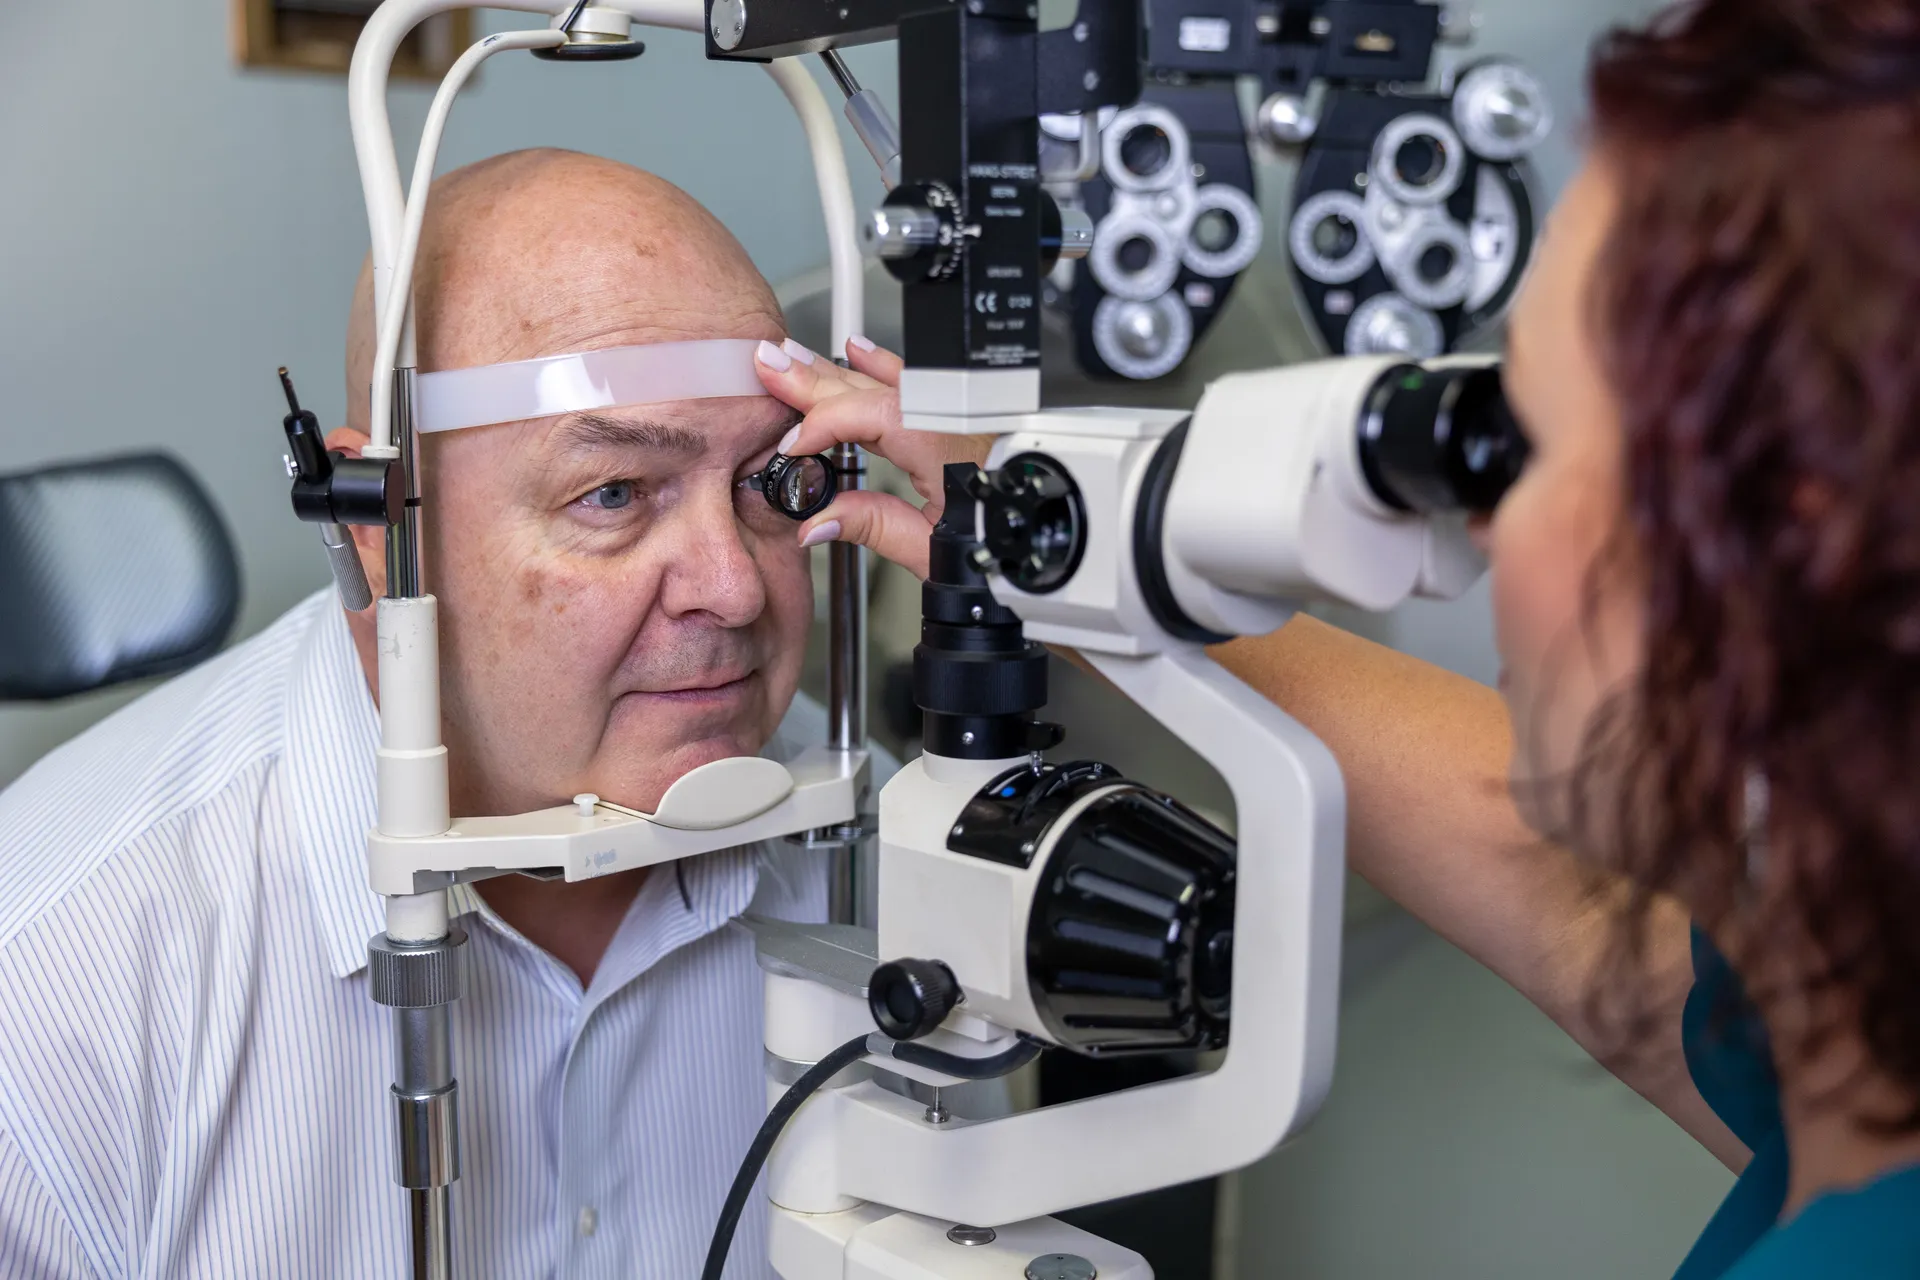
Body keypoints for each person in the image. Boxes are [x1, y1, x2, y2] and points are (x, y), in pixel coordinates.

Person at [764, 1, 1920, 1274]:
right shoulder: (1855, 1020)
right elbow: (1609, 937)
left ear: (1787, 541)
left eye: (1522, 435)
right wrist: (1049, 531)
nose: (1474, 519)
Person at [0, 148, 891, 1278]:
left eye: (774, 482)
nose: (737, 584)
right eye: (613, 493)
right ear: (374, 522)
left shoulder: (890, 849)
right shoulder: (50, 989)